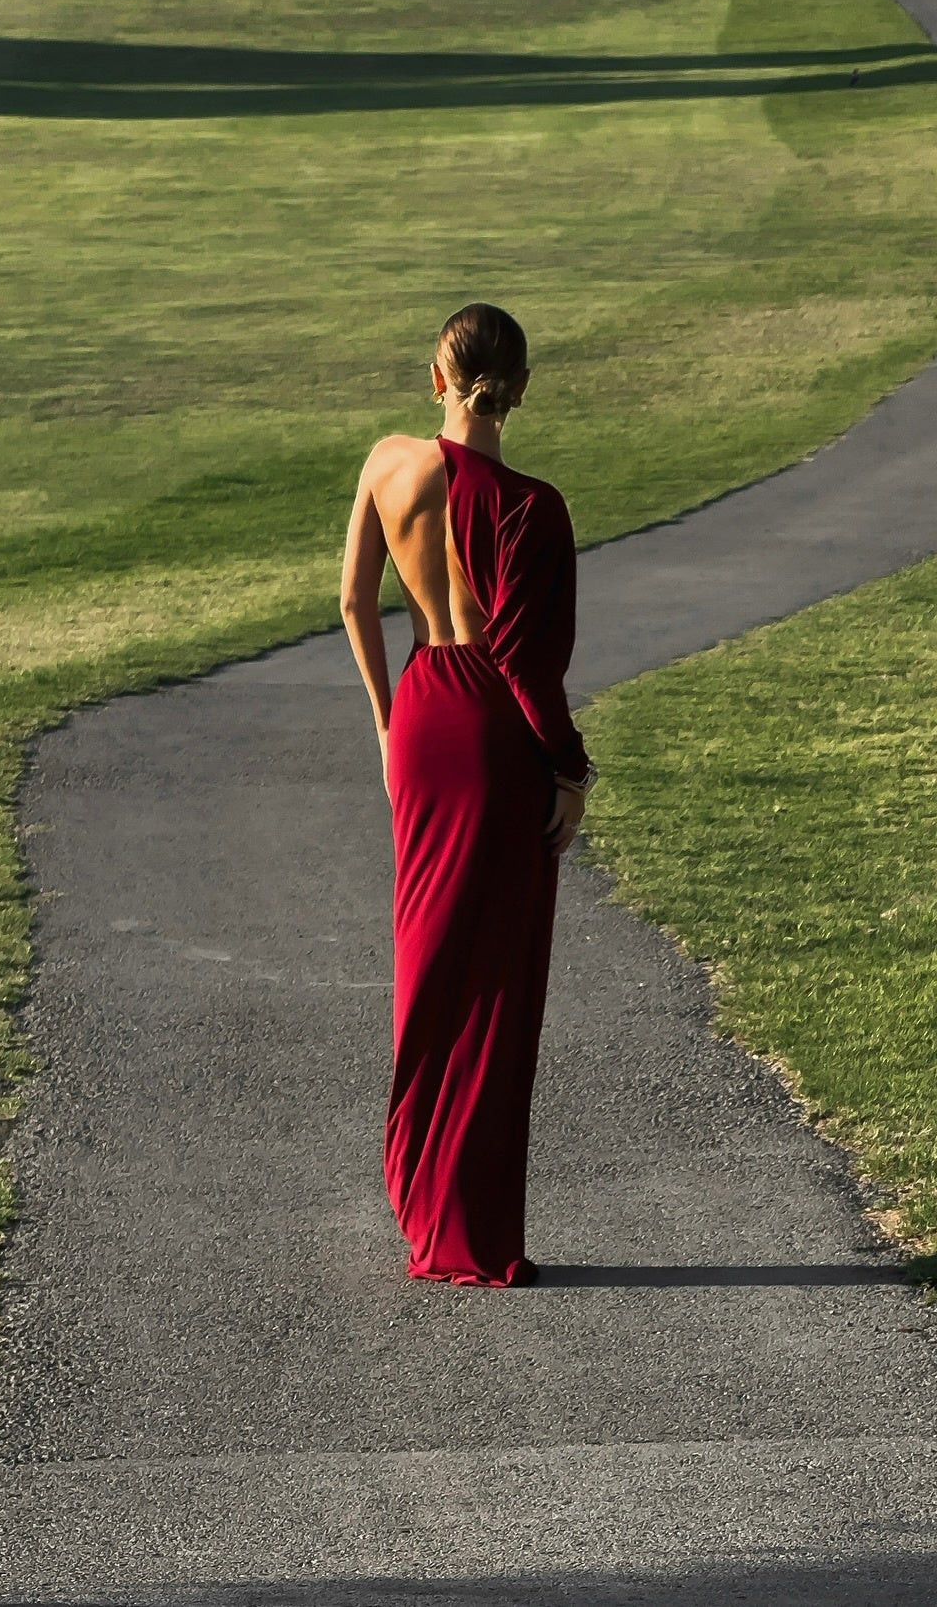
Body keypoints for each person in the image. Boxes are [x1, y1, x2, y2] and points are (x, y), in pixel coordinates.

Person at [339, 302, 598, 1287]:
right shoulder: (533, 507)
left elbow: (355, 602)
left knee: (428, 963)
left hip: (420, 715)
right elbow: (531, 673)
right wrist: (570, 770)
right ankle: (470, 1228)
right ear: (519, 390)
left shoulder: (387, 466)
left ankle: (415, 1194)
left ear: (432, 379)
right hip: (492, 736)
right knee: (495, 983)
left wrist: (381, 721)